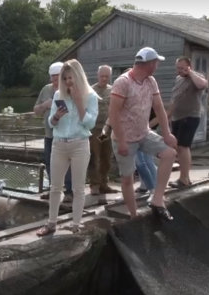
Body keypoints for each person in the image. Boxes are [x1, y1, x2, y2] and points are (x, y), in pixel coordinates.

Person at [108, 47, 177, 220]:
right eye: (156, 63)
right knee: (127, 178)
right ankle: (133, 216)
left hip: (144, 133)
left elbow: (159, 108)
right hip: (124, 137)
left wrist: (167, 133)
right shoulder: (123, 82)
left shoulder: (151, 81)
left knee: (169, 153)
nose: (157, 66)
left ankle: (158, 198)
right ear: (149, 64)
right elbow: (113, 113)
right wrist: (122, 141)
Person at [36, 59, 99, 236]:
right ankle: (51, 223)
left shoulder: (91, 96)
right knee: (55, 187)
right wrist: (55, 116)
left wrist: (79, 103)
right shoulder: (58, 95)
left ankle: (76, 225)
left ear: (79, 77)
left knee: (78, 188)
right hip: (59, 144)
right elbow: (52, 124)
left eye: (71, 78)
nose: (68, 82)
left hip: (79, 143)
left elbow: (90, 124)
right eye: (65, 78)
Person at [33, 62, 73, 202]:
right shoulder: (46, 90)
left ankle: (69, 191)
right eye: (53, 77)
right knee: (50, 163)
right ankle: (54, 190)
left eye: (58, 76)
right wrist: (45, 105)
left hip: (66, 135)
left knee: (68, 163)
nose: (56, 80)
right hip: (49, 135)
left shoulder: (71, 89)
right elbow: (36, 111)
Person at [167, 56, 209, 188]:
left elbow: (203, 85)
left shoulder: (195, 76)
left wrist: (189, 72)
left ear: (188, 66)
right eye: (178, 68)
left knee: (183, 147)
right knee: (177, 147)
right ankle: (185, 178)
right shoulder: (178, 79)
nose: (180, 70)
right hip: (177, 117)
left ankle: (184, 179)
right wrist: (168, 116)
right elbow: (175, 99)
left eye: (182, 67)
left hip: (190, 116)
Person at [89, 65, 118, 195]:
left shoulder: (113, 90)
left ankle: (104, 183)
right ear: (98, 75)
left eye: (107, 76)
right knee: (94, 156)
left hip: (108, 129)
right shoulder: (90, 91)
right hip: (94, 129)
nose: (104, 79)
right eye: (102, 76)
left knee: (107, 157)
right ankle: (94, 184)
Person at [135, 109, 159, 203]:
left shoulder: (152, 99)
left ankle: (155, 187)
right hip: (138, 133)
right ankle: (144, 186)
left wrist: (146, 127)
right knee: (140, 162)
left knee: (148, 160)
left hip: (150, 132)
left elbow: (158, 117)